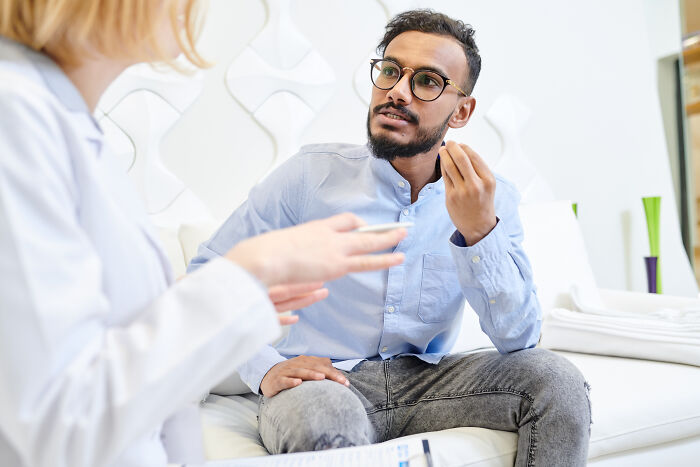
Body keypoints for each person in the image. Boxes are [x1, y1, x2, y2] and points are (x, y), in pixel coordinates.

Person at [0, 1, 407, 467]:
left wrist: (244, 297)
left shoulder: (68, 125)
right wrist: (244, 278)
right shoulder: (15, 120)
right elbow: (60, 420)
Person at [189, 9, 591, 466]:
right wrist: (264, 367)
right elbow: (210, 276)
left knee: (557, 382)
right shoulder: (310, 176)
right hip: (324, 382)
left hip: (429, 382)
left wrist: (479, 232)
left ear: (461, 111)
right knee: (325, 422)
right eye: (390, 71)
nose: (397, 91)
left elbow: (519, 339)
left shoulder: (490, 198)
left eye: (426, 81)